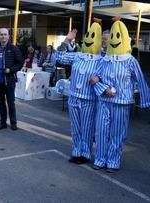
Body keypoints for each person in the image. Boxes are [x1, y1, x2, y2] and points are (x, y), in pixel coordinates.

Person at [90, 19, 150, 173]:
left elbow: (141, 81)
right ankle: (100, 159)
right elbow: (94, 79)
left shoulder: (130, 61)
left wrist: (145, 101)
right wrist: (105, 88)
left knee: (117, 133)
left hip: (122, 102)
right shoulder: (104, 60)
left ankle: (113, 161)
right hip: (104, 101)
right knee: (101, 132)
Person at [56, 22, 103, 165]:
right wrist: (66, 39)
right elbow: (59, 57)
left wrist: (99, 78)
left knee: (87, 128)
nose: (89, 39)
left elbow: (107, 74)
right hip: (74, 98)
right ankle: (76, 152)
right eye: (88, 36)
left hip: (89, 99)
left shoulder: (101, 59)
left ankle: (85, 153)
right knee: (75, 127)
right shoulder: (77, 55)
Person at [0, 28, 23, 131]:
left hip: (9, 81)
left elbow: (20, 63)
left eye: (5, 34)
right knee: (1, 103)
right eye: (1, 34)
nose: (3, 36)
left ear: (8, 36)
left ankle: (13, 122)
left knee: (11, 103)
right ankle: (3, 123)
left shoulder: (13, 48)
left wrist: (10, 70)